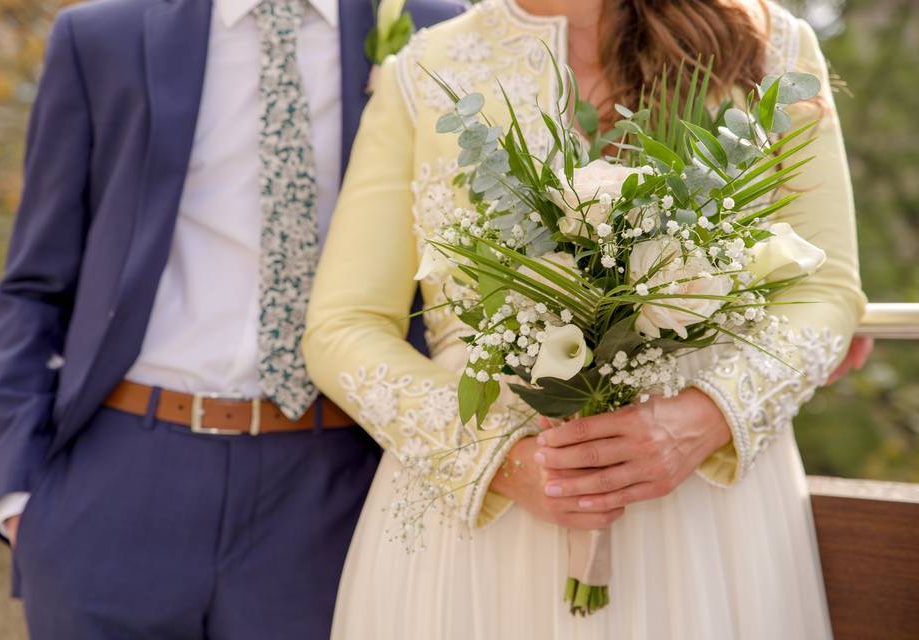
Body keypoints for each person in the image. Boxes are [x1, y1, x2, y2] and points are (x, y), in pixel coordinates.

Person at [303, 0, 867, 637]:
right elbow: (342, 327)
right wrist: (498, 459)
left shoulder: (770, 47)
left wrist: (707, 418)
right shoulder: (428, 68)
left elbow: (827, 289)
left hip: (704, 514)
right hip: (485, 524)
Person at [0, 0, 461, 637]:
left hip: (332, 482)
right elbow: (36, 282)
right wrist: (19, 498)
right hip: (120, 473)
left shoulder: (440, 33)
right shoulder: (103, 36)